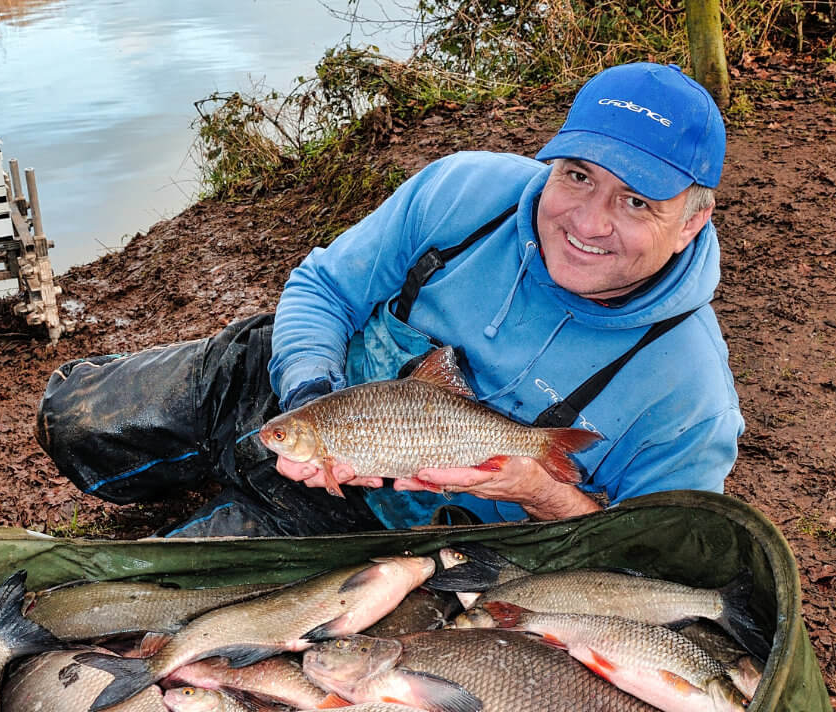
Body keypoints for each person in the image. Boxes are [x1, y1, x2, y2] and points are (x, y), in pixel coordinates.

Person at [36, 61, 742, 538]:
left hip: (377, 524)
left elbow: (654, 559)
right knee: (71, 417)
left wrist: (540, 491)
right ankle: (195, 466)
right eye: (578, 176)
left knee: (155, 602)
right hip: (307, 391)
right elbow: (322, 288)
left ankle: (231, 508)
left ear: (691, 222)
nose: (588, 222)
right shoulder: (464, 192)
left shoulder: (688, 394)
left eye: (637, 201)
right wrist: (308, 389)